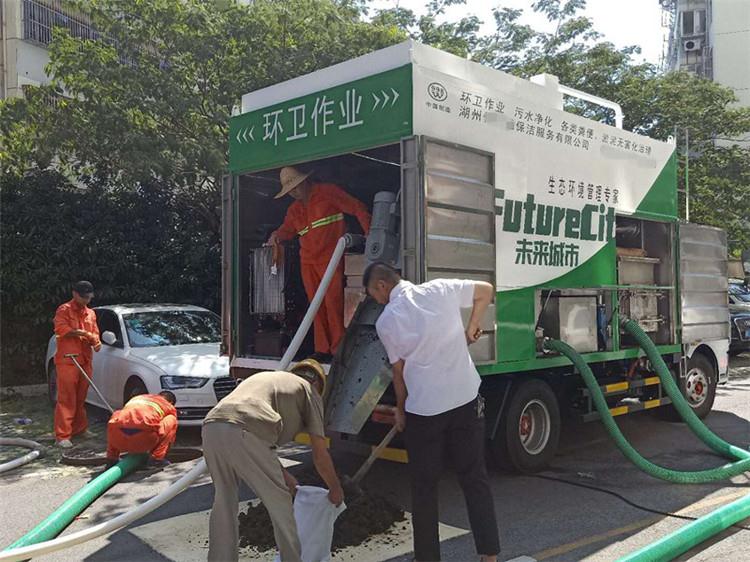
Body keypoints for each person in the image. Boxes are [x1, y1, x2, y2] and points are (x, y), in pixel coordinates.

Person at [364, 263, 500, 562]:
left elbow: (399, 375)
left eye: (373, 293)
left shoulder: (387, 321)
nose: (375, 300)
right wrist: (473, 324)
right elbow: (486, 291)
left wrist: (400, 411)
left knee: (424, 488)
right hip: (465, 400)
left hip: (425, 412)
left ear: (382, 286)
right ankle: (489, 556)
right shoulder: (440, 289)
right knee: (474, 477)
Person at [202, 358, 344, 562]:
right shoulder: (309, 391)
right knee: (281, 508)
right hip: (245, 430)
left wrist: (284, 475)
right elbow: (320, 454)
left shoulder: (271, 380)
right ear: (318, 384)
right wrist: (335, 489)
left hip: (211, 427)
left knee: (224, 503)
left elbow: (262, 440)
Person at [266, 167, 371, 361]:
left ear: (305, 181)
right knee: (316, 305)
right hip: (308, 262)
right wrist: (275, 237)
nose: (294, 192)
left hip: (331, 258)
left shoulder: (328, 192)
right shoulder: (294, 210)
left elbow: (356, 207)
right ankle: (322, 349)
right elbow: (286, 230)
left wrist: (369, 236)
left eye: (296, 187)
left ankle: (338, 349)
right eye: (290, 190)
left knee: (333, 303)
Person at [53, 280, 102, 448]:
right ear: (75, 294)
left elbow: (95, 333)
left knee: (81, 397)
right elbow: (61, 329)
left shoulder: (91, 313)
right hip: (68, 360)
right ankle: (63, 435)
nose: (86, 301)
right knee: (67, 399)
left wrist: (96, 341)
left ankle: (80, 429)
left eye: (89, 298)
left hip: (85, 360)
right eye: (83, 297)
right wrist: (81, 333)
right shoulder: (64, 310)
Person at [105, 391, 178, 468]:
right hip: (145, 441)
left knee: (118, 421)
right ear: (171, 402)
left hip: (118, 442)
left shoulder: (137, 399)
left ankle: (111, 459)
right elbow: (171, 435)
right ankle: (156, 459)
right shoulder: (168, 405)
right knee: (172, 419)